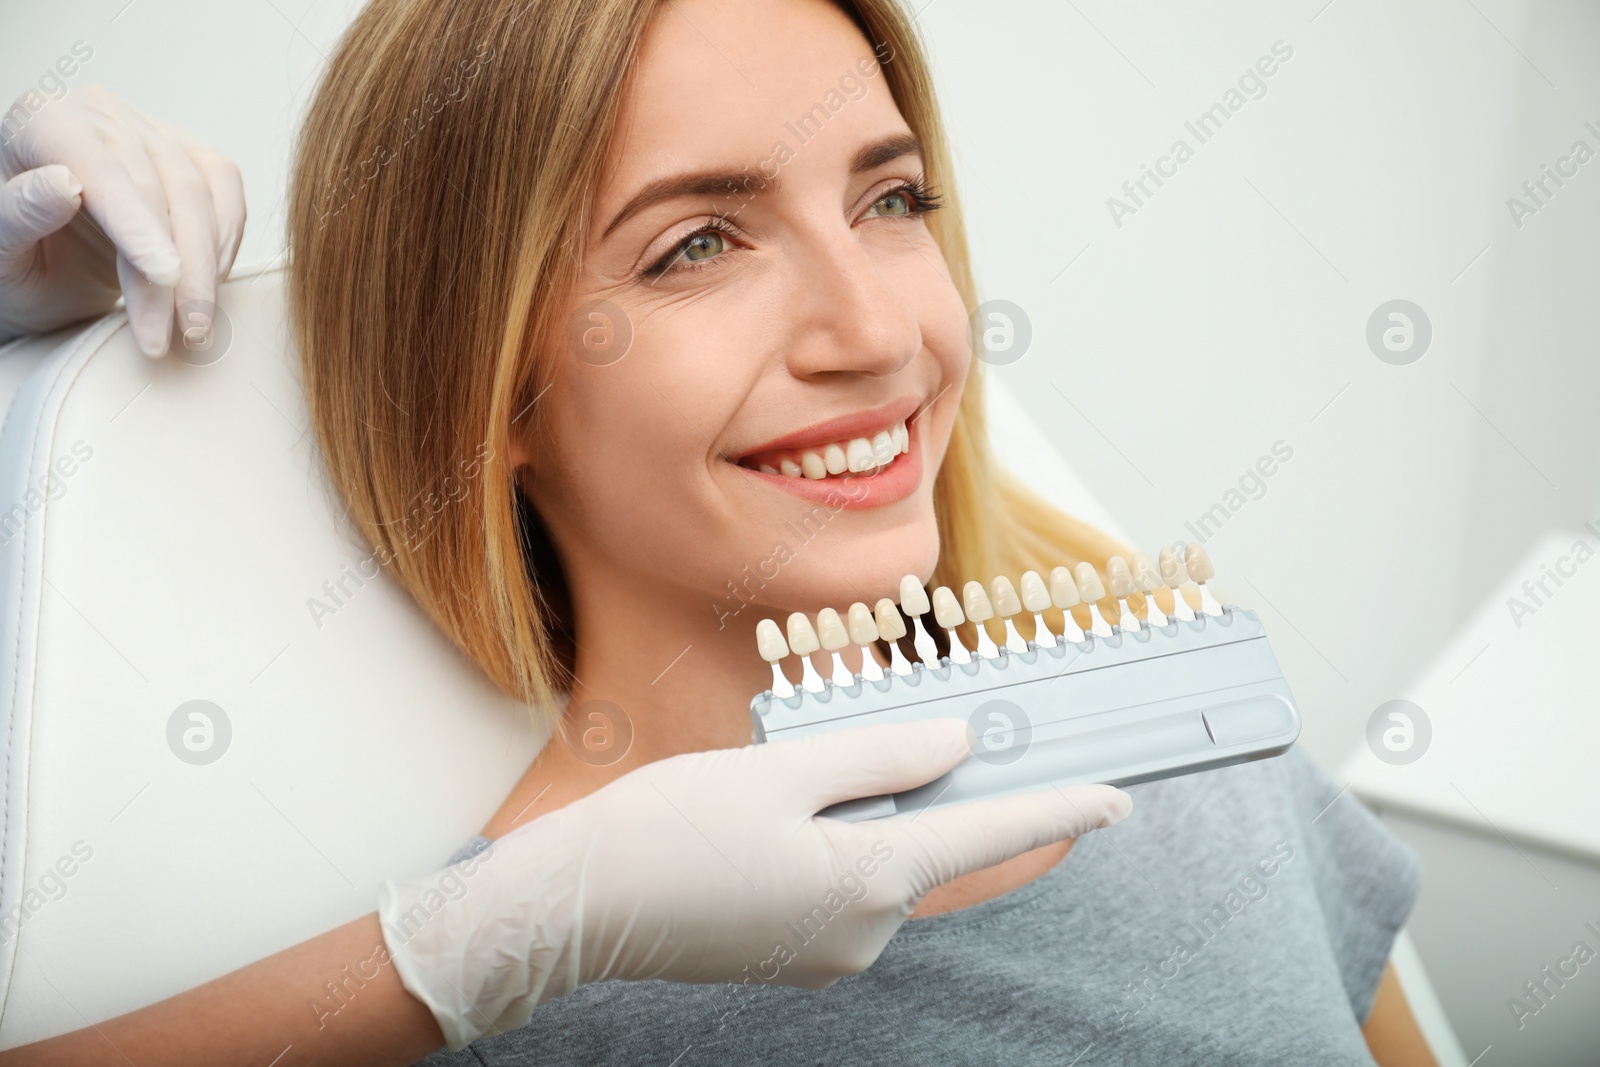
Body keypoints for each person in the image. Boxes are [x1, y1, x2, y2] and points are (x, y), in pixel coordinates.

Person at [0, 0, 1438, 1063]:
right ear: (486, 385)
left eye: (891, 200)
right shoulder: (481, 993)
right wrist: (483, 950)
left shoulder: (1187, 734)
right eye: (697, 244)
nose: (880, 334)